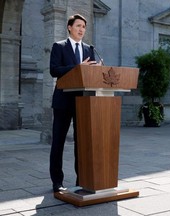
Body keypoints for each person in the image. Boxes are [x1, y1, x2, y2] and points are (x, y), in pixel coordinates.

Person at [49, 14, 101, 193]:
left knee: (82, 142)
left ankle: (82, 179)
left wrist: (97, 71)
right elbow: (54, 70)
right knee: (59, 142)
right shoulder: (59, 46)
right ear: (69, 27)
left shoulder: (89, 48)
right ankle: (57, 181)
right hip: (63, 101)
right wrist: (78, 67)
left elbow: (90, 73)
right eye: (78, 25)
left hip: (84, 101)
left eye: (84, 27)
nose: (81, 29)